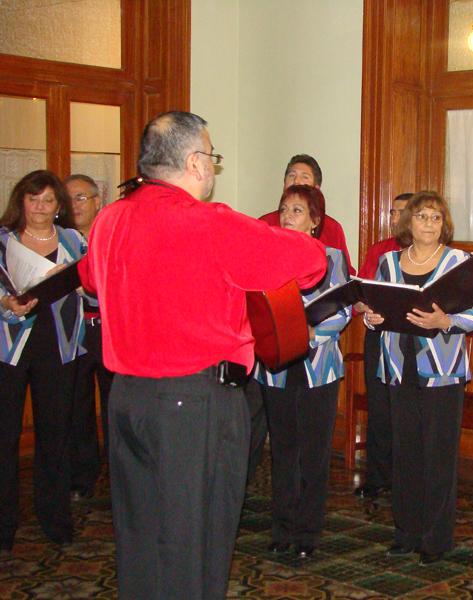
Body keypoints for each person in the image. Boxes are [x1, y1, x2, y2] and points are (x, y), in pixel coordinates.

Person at [77, 111, 327, 599]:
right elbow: (311, 263)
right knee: (196, 541)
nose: (213, 166)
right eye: (211, 156)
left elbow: (89, 279)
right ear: (194, 162)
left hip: (126, 399)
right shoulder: (209, 222)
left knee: (141, 537)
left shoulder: (109, 219)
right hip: (194, 405)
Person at [363, 191, 473, 566]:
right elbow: (374, 309)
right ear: (407, 223)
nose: (428, 223)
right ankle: (406, 532)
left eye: (435, 217)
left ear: (443, 224)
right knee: (407, 453)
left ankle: (436, 537)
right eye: (421, 216)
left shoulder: (458, 262)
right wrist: (372, 318)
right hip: (399, 369)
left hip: (443, 373)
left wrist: (444, 321)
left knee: (438, 456)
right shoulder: (388, 262)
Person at [255, 184, 351, 558]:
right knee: (282, 450)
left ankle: (308, 532)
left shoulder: (334, 258)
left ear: (315, 221)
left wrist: (310, 331)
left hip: (319, 366)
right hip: (276, 366)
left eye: (297, 210)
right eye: (284, 209)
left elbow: (343, 310)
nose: (287, 216)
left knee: (313, 453)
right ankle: (282, 528)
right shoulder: (266, 257)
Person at [0, 170, 85, 551]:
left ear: (58, 206)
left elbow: (91, 287)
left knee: (55, 435)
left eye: (48, 200)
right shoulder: (2, 242)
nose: (39, 207)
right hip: (10, 347)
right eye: (32, 199)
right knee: (4, 437)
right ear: (21, 202)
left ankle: (55, 519)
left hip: (59, 347)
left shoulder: (72, 240)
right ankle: (4, 525)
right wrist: (6, 304)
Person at [352, 191, 412, 499]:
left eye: (403, 212)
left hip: (410, 337)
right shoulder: (379, 250)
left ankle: (406, 477)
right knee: (379, 407)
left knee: (406, 410)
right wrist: (364, 306)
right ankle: (377, 475)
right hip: (377, 333)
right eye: (392, 212)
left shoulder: (424, 253)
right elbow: (360, 292)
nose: (396, 218)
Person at [64, 174, 114, 502]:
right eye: (68, 199)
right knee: (76, 405)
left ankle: (117, 476)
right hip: (71, 334)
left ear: (97, 201)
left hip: (109, 330)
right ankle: (82, 475)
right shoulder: (59, 240)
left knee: (114, 404)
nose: (75, 205)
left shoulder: (110, 235)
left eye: (82, 197)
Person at [259, 153, 354, 273]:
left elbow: (345, 279)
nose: (296, 181)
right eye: (291, 175)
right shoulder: (264, 224)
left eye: (304, 177)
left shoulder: (332, 229)